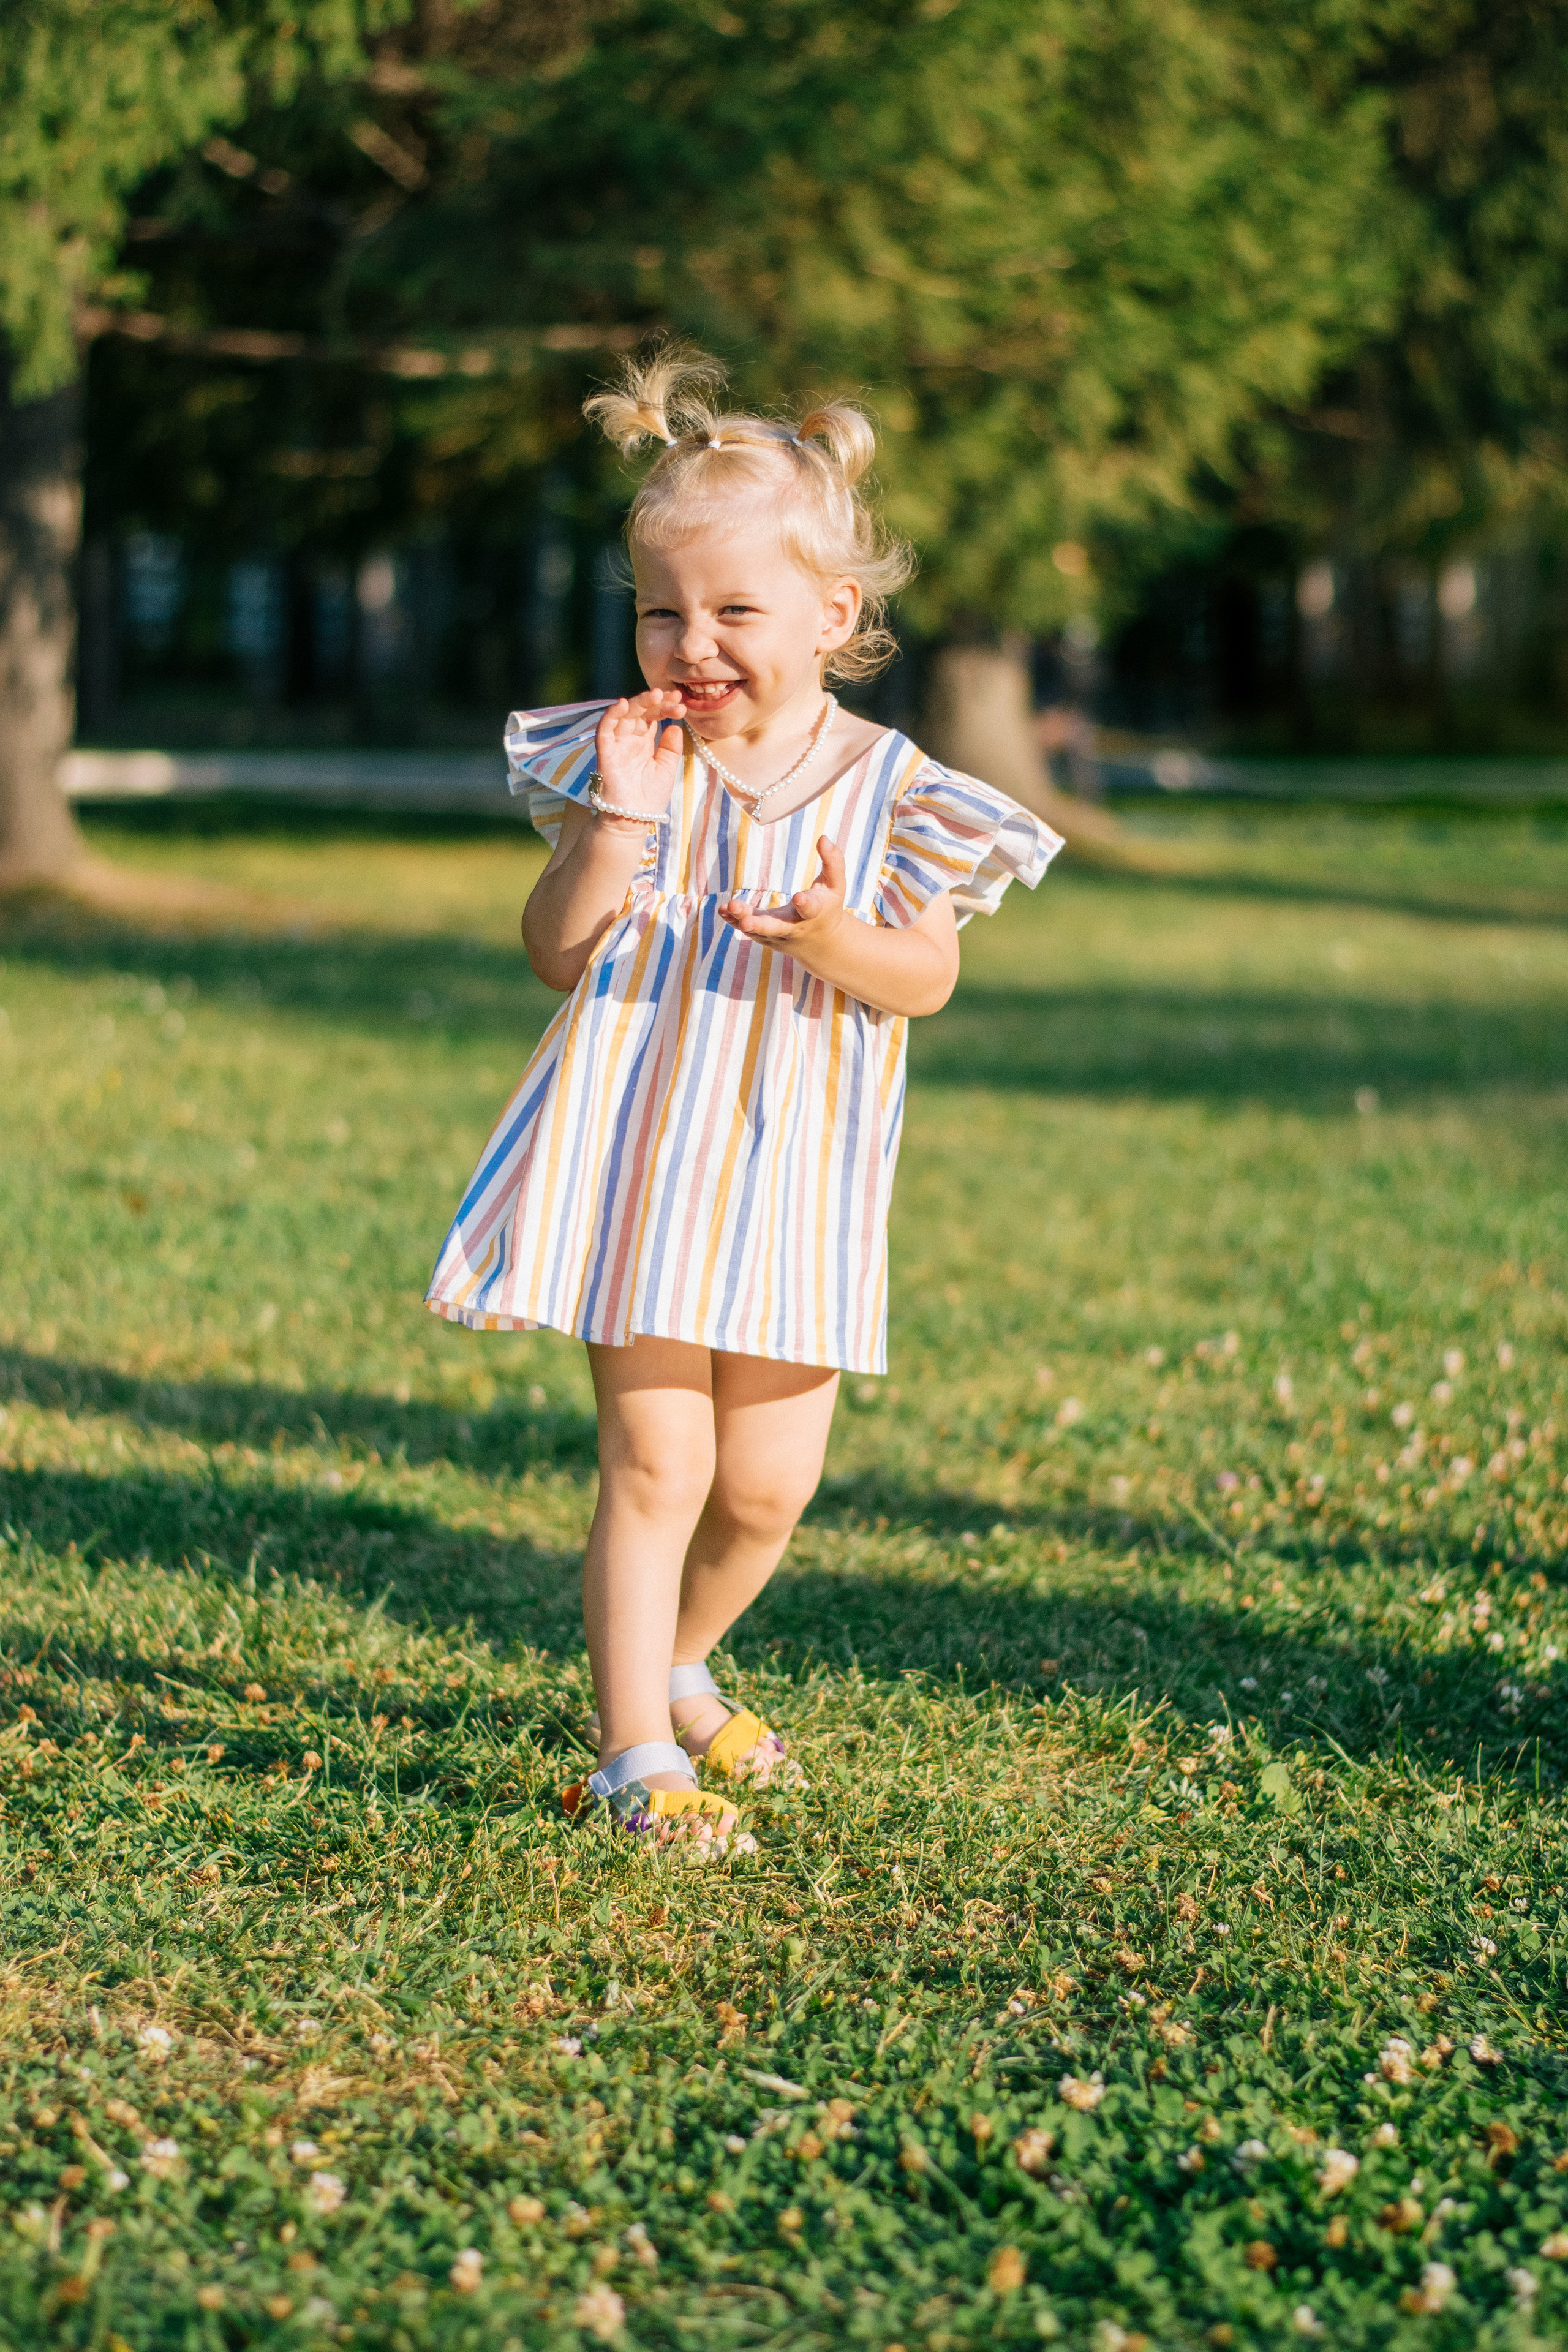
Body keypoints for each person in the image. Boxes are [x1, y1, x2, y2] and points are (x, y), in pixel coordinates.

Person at [426, 349, 1061, 1845]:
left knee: (767, 1487)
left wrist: (840, 938)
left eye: (732, 611)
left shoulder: (894, 788)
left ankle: (686, 1663)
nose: (690, 644)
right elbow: (553, 951)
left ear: (831, 618)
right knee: (660, 1459)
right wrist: (614, 827)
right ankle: (630, 1748)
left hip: (797, 1178)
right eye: (661, 610)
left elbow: (923, 977)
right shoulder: (628, 757)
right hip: (636, 1155)